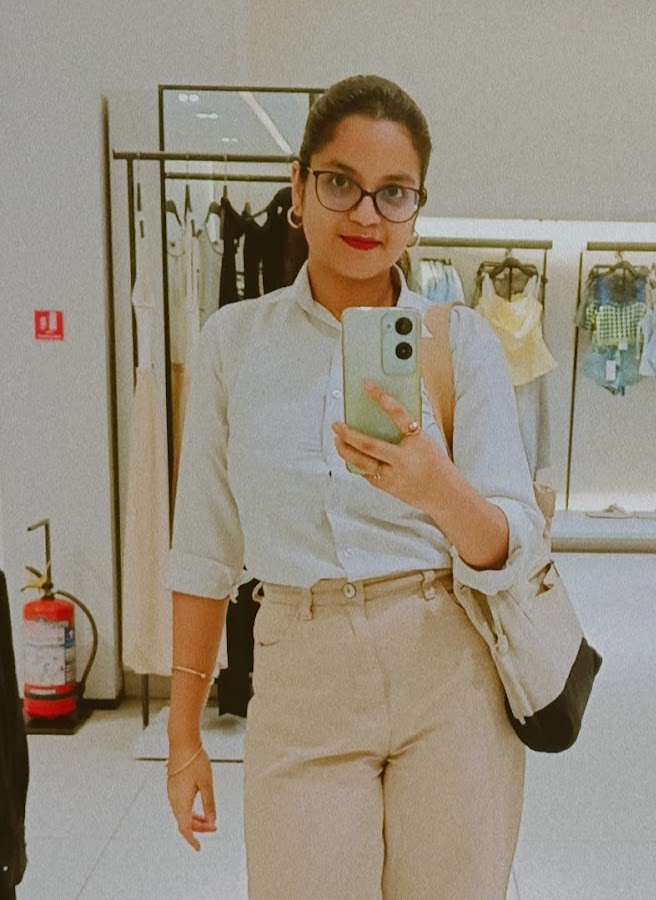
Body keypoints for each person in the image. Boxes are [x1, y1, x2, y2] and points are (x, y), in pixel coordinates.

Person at [163, 74, 546, 899]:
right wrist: (183, 732)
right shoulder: (234, 343)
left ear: (416, 210)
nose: (367, 214)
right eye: (341, 182)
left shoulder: (461, 341)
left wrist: (436, 487)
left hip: (449, 667)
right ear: (298, 188)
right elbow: (203, 547)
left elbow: (512, 544)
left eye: (394, 192)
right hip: (301, 673)